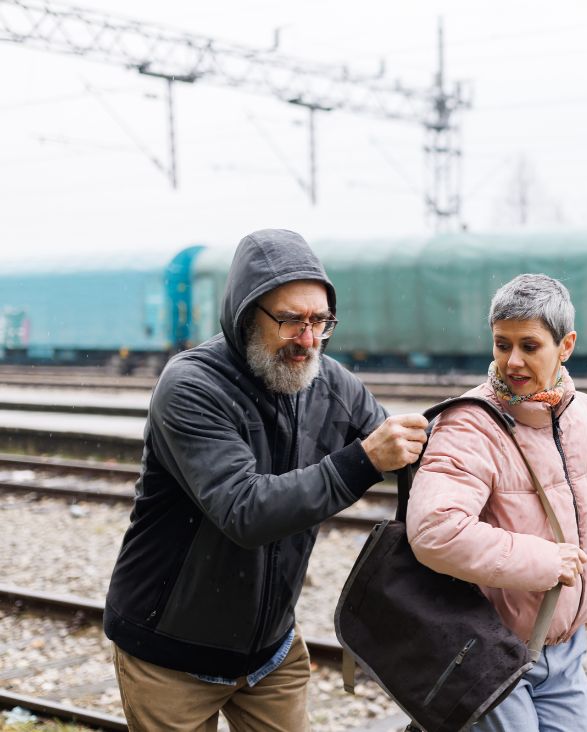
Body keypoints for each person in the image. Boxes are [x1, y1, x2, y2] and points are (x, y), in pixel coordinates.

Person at [103, 229, 429, 731]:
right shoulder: (191, 386)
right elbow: (245, 510)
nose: (308, 340)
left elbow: (409, 456)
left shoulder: (331, 382)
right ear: (245, 314)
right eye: (290, 320)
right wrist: (363, 461)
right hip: (169, 656)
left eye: (320, 321)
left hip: (269, 652)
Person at [407, 273, 587, 732]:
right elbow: (435, 531)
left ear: (566, 346)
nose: (512, 361)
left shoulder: (586, 415)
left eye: (529, 346)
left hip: (564, 651)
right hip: (486, 650)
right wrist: (548, 563)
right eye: (501, 344)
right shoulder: (470, 425)